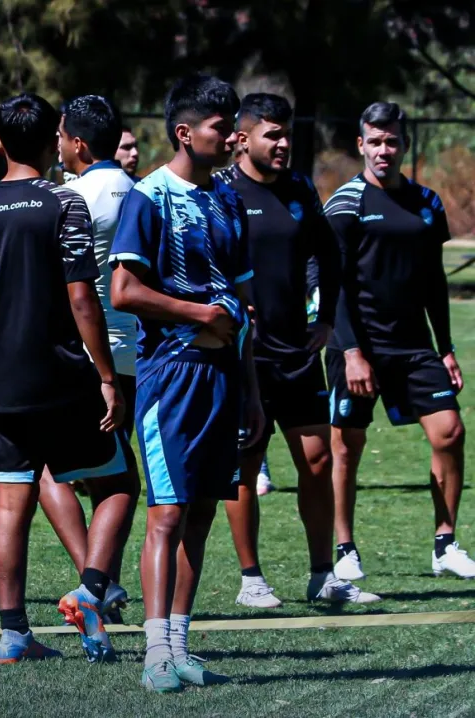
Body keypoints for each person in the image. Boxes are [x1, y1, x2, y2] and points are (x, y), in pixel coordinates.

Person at [0, 92, 137, 665]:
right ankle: (91, 588)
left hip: (2, 383)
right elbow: (82, 297)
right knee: (120, 484)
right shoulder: (64, 203)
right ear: (51, 141)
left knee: (13, 505)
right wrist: (105, 375)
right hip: (62, 377)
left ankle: (13, 634)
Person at [110, 74, 263, 692]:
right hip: (172, 376)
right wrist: (200, 315)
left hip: (224, 376)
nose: (231, 137)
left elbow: (243, 301)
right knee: (167, 513)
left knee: (201, 510)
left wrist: (251, 388)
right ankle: (153, 655)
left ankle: (179, 645)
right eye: (219, 127)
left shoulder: (228, 200)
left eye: (232, 126)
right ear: (185, 133)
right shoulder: (149, 197)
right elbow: (123, 290)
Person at [215, 93, 378, 609]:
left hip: (297, 353)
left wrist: (325, 317)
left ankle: (322, 575)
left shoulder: (300, 189)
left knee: (316, 460)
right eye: (274, 134)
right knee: (245, 464)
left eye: (287, 133)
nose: (284, 143)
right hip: (244, 356)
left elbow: (328, 255)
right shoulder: (219, 191)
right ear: (242, 139)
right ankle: (251, 579)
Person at [325, 101, 472, 581]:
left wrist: (445, 346)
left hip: (413, 348)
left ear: (404, 145)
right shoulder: (345, 205)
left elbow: (433, 281)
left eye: (392, 141)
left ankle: (445, 543)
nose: (384, 150)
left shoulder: (426, 203)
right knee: (347, 446)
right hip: (358, 348)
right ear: (361, 144)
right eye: (375, 141)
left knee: (450, 431)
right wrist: (351, 353)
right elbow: (333, 285)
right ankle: (345, 548)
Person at [38, 94, 140, 625]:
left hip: (84, 356)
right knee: (110, 476)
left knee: (50, 471)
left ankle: (94, 586)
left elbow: (63, 287)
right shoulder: (141, 193)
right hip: (136, 353)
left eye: (60, 136)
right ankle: (103, 585)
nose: (56, 144)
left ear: (78, 143)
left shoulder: (69, 198)